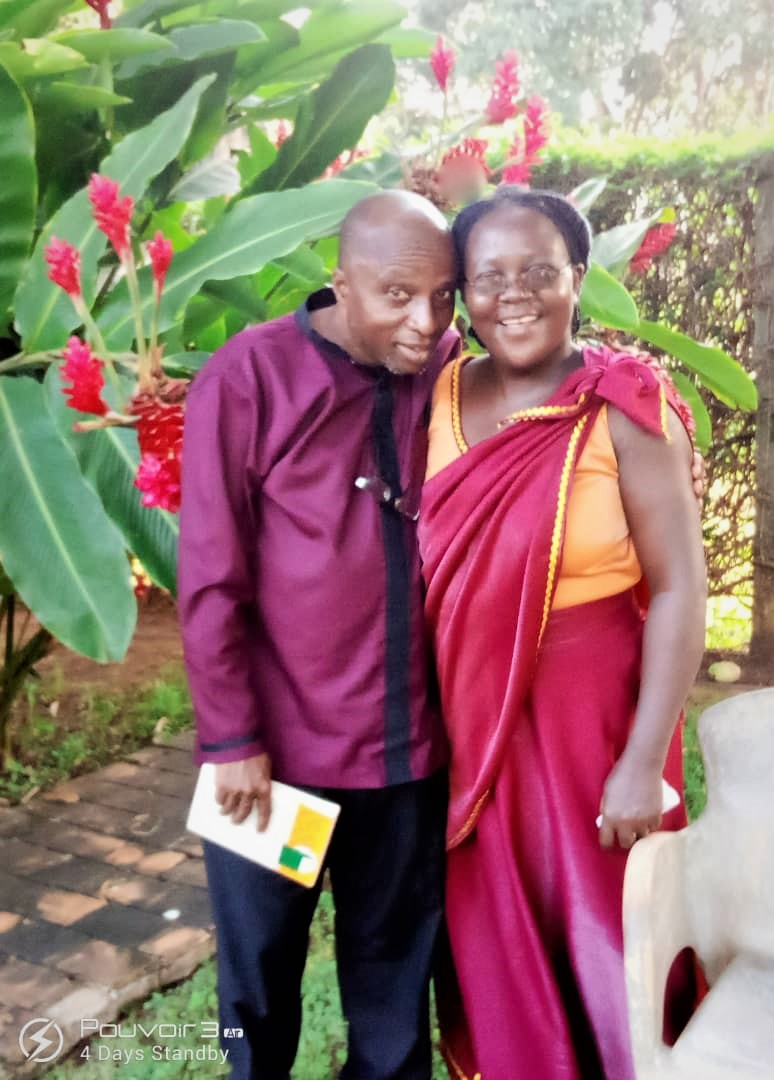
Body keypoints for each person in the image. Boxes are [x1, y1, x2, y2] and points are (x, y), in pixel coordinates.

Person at [417, 187, 707, 1080]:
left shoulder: (624, 405)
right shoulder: (433, 392)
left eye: (539, 272)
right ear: (463, 292)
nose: (515, 295)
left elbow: (680, 588)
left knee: (608, 939)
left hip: (596, 725)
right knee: (498, 934)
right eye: (489, 277)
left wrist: (642, 761)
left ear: (579, 278)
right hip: (469, 721)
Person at [177, 190, 460, 1080]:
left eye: (443, 296)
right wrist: (231, 740)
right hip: (277, 768)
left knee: (394, 987)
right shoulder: (248, 378)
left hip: (407, 761)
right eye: (398, 296)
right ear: (341, 285)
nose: (427, 323)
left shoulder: (451, 372)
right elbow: (210, 576)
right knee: (259, 985)